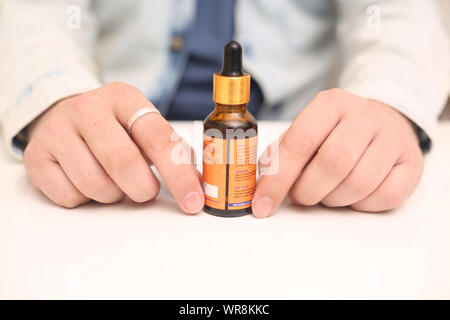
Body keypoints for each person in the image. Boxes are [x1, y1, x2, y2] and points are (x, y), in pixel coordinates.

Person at [0, 0, 448, 217]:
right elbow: (36, 12)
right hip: (109, 139)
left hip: (301, 151)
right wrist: (53, 97)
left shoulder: (243, 127)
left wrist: (390, 102)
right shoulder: (223, 123)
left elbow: (395, 16)